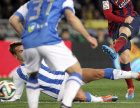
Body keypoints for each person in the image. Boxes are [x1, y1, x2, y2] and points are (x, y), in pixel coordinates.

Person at [9, 0, 98, 108]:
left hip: (31, 43)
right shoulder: (64, 0)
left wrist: (25, 37)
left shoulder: (32, 2)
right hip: (50, 40)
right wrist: (88, 36)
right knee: (76, 71)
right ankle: (66, 104)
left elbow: (13, 20)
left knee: (33, 76)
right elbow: (72, 19)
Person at [2, 41, 140, 103]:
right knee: (80, 96)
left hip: (67, 76)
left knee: (98, 72)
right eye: (20, 51)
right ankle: (102, 99)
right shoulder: (19, 74)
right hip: (60, 91)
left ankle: (135, 75)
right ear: (15, 56)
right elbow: (16, 97)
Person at [99, 0, 140, 99]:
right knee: (124, 58)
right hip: (117, 24)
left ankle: (113, 49)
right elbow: (108, 14)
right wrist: (123, 20)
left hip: (132, 18)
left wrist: (126, 20)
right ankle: (131, 88)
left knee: (124, 31)